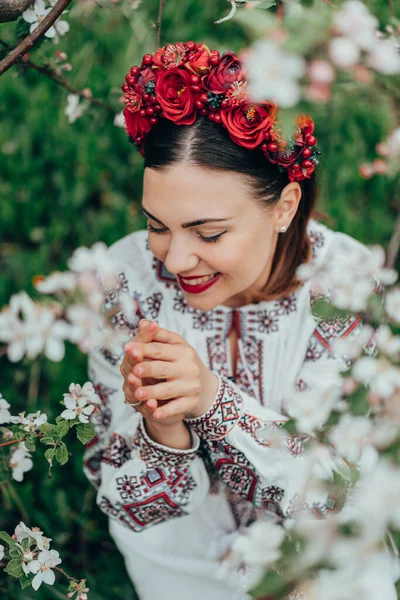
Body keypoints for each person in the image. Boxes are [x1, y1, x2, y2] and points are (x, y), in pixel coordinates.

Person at [82, 42, 396, 599]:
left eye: (208, 234)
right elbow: (131, 506)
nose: (175, 260)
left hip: (320, 564)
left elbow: (334, 492)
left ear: (283, 206)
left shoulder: (349, 292)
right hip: (179, 570)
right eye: (157, 225)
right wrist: (162, 426)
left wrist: (210, 399)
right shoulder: (123, 284)